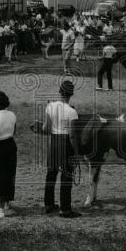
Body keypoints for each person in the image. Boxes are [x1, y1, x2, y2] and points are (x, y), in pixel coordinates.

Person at [42, 81, 81, 218]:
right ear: (71, 94)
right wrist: (76, 154)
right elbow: (72, 135)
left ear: (60, 92)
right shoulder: (72, 112)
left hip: (53, 142)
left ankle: (49, 204)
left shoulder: (50, 106)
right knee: (66, 177)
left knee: (51, 174)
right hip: (66, 144)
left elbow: (45, 128)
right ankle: (65, 209)